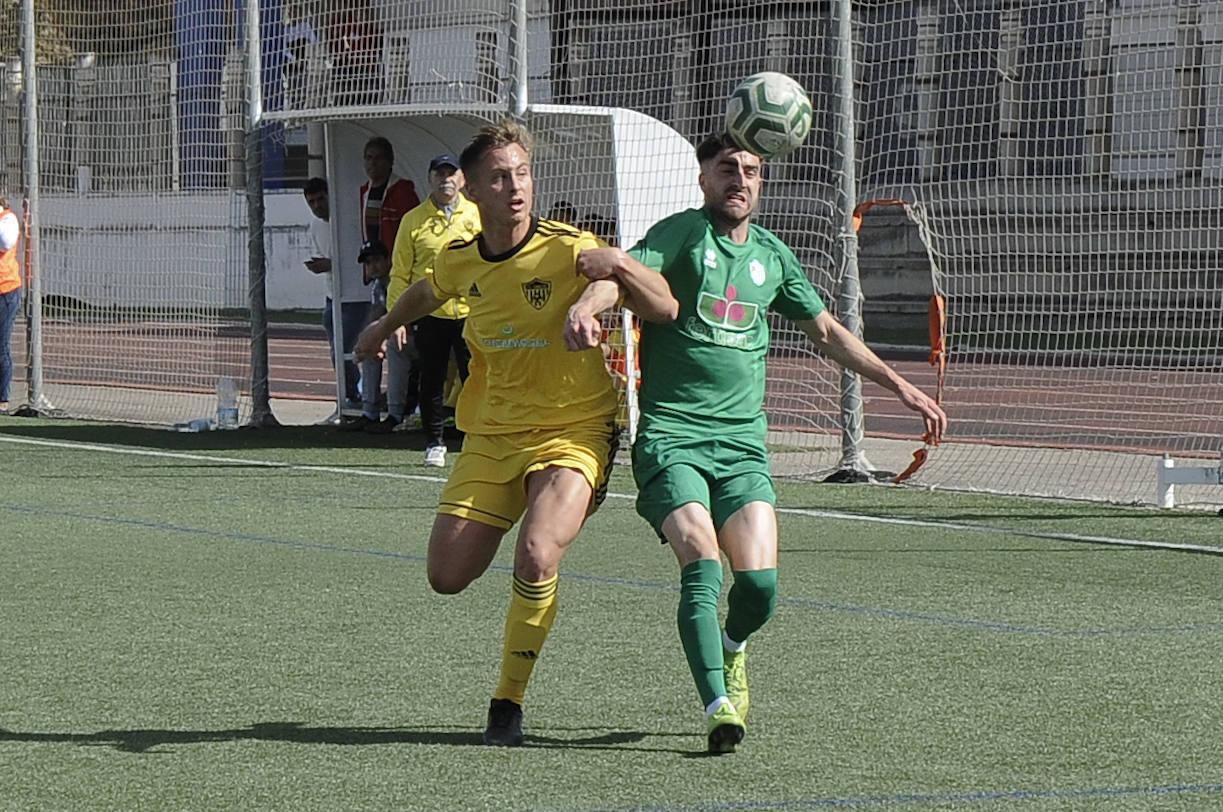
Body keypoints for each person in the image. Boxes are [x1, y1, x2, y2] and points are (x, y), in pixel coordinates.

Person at [576, 132, 948, 753]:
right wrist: (590, 307)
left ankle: (732, 646)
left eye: (750, 170)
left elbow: (826, 330)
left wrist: (899, 385)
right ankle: (717, 704)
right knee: (701, 562)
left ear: (762, 183)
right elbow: (621, 274)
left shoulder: (773, 256)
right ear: (704, 179)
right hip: (673, 437)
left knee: (760, 590)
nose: (739, 179)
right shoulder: (680, 233)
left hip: (743, 447)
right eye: (727, 169)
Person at [353, 120, 677, 746]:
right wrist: (383, 323)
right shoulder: (463, 256)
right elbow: (432, 288)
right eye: (500, 177)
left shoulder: (566, 246)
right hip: (494, 434)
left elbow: (632, 289)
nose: (516, 187)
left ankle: (508, 699)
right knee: (446, 576)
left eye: (522, 173)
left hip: (575, 428)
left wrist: (589, 304)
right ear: (471, 190)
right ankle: (520, 526)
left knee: (536, 553)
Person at [385, 152, 481, 459]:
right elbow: (400, 272)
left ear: (463, 179)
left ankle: (478, 438)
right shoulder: (413, 220)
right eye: (439, 174)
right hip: (430, 311)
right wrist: (396, 317)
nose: (446, 179)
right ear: (430, 178)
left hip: (471, 312)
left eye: (451, 173)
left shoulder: (477, 216)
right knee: (432, 377)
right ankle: (435, 442)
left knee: (477, 376)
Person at [359, 136, 421, 422]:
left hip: (402, 277)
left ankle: (396, 413)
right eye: (368, 158)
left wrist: (397, 265)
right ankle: (369, 411)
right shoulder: (365, 191)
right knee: (369, 339)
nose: (373, 164)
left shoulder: (403, 192)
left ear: (390, 161)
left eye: (378, 158)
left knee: (397, 345)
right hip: (381, 277)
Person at [303, 177, 362, 422]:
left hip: (355, 295)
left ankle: (356, 397)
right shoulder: (316, 226)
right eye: (312, 202)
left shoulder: (347, 222)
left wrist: (332, 264)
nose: (317, 206)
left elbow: (359, 258)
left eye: (320, 199)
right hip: (331, 296)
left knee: (348, 347)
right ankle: (348, 396)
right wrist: (321, 266)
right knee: (336, 349)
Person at [342, 239, 394, 430]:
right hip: (392, 332)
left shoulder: (398, 280)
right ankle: (369, 411)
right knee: (370, 351)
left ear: (389, 260)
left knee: (395, 349)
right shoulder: (377, 286)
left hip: (413, 334)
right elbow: (376, 316)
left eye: (377, 260)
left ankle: (395, 414)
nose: (373, 266)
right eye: (368, 263)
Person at [0, 196, 21, 415]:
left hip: (5, 291)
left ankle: (3, 398)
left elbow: (5, 242)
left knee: (1, 346)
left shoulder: (7, 219)